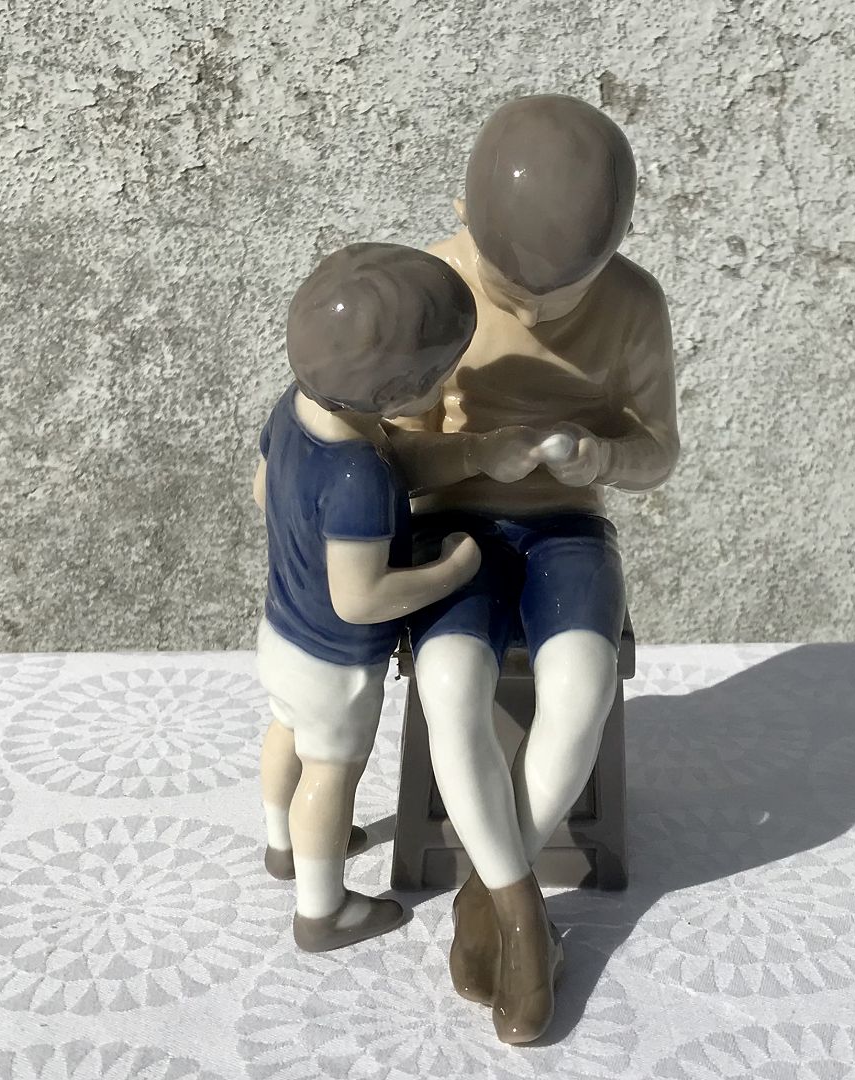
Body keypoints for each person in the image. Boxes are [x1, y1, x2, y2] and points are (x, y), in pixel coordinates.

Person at [384, 95, 680, 1042]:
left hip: (566, 526)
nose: (534, 312)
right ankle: (521, 915)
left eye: (563, 295)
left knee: (583, 683)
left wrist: (602, 458)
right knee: (448, 682)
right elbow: (394, 454)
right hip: (453, 521)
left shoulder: (634, 304)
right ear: (463, 219)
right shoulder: (433, 288)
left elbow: (660, 450)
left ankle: (482, 894)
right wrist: (479, 454)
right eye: (512, 290)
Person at [252, 242, 539, 951]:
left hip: (281, 629)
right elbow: (361, 597)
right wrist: (452, 571)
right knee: (331, 773)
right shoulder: (360, 478)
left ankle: (281, 845)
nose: (450, 383)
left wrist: (472, 453)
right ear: (393, 395)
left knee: (285, 730)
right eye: (441, 375)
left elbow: (263, 490)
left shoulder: (293, 411)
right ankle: (322, 909)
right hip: (336, 659)